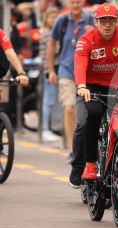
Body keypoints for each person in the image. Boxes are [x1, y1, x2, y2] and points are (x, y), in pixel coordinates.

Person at [72, 3, 118, 182]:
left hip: (117, 87)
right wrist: (82, 86)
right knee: (92, 115)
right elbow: (79, 64)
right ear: (95, 22)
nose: (107, 24)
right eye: (103, 20)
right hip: (91, 85)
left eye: (111, 20)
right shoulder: (86, 40)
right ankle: (90, 163)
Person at [47, 0, 94, 167]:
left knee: (86, 114)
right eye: (72, 1)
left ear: (83, 3)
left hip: (87, 73)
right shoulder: (62, 20)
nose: (75, 4)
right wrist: (51, 70)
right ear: (68, 3)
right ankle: (72, 148)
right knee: (69, 108)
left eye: (78, 1)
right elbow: (52, 45)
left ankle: (83, 145)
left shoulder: (91, 20)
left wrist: (93, 33)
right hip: (66, 70)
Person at [39, 7, 60, 142]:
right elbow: (54, 50)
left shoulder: (53, 33)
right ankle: (45, 129)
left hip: (52, 69)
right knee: (48, 101)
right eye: (51, 17)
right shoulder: (47, 33)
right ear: (46, 19)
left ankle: (49, 128)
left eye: (55, 17)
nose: (53, 20)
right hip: (48, 70)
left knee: (52, 101)